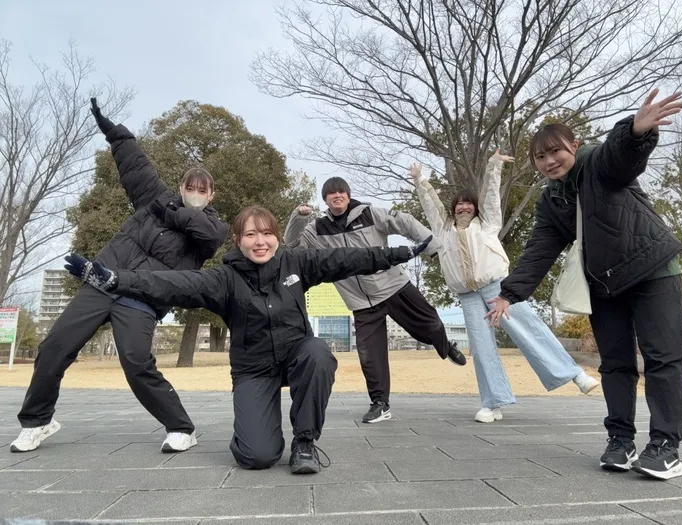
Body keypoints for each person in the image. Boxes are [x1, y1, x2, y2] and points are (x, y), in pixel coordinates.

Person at [62, 206, 433, 474]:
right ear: (239, 241)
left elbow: (346, 259)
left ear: (276, 236)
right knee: (256, 458)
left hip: (297, 355)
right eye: (251, 234)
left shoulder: (296, 263)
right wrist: (114, 280)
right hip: (254, 369)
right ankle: (257, 431)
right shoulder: (223, 278)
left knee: (319, 353)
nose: (261, 241)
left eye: (267, 233)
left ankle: (305, 442)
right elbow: (170, 282)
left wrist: (396, 253)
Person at [486, 89, 682, 480]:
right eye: (539, 157)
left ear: (574, 146)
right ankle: (620, 441)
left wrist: (634, 131)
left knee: (663, 360)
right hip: (605, 285)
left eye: (555, 151)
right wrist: (509, 294)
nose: (548, 161)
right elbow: (539, 251)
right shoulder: (552, 200)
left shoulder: (598, 162)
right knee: (614, 364)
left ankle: (665, 446)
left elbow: (621, 155)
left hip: (652, 271)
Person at [11, 98, 229, 454]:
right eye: (190, 187)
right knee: (54, 347)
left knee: (136, 362)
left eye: (202, 190)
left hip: (142, 298)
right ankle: (38, 421)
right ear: (181, 186)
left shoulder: (212, 226)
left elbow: (204, 232)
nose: (195, 193)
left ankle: (181, 427)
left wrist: (169, 208)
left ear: (211, 195)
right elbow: (134, 163)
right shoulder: (154, 198)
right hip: (102, 281)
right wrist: (113, 130)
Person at [410, 152, 600, 423]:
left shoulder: (488, 224)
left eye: (468, 204)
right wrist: (420, 181)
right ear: (452, 209)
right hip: (468, 296)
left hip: (498, 288)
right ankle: (492, 402)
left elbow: (489, 197)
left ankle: (575, 374)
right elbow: (431, 207)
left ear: (474, 208)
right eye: (459, 204)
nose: (464, 207)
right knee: (483, 349)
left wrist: (493, 166)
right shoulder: (443, 230)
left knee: (529, 330)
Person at [284, 180, 467, 424]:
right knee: (370, 356)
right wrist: (298, 217)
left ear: (348, 196)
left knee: (431, 324)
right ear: (325, 199)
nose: (337, 196)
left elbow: (404, 221)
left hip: (393, 286)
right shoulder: (317, 229)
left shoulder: (370, 214)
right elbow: (293, 246)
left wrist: (431, 246)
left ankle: (445, 345)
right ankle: (380, 403)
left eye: (341, 192)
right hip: (360, 301)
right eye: (331, 193)